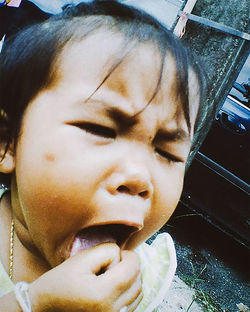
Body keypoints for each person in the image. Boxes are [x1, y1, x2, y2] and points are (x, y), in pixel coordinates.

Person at [0, 0, 213, 311]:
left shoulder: (144, 282)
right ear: (8, 143)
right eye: (100, 130)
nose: (140, 177)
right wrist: (31, 304)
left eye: (168, 152)